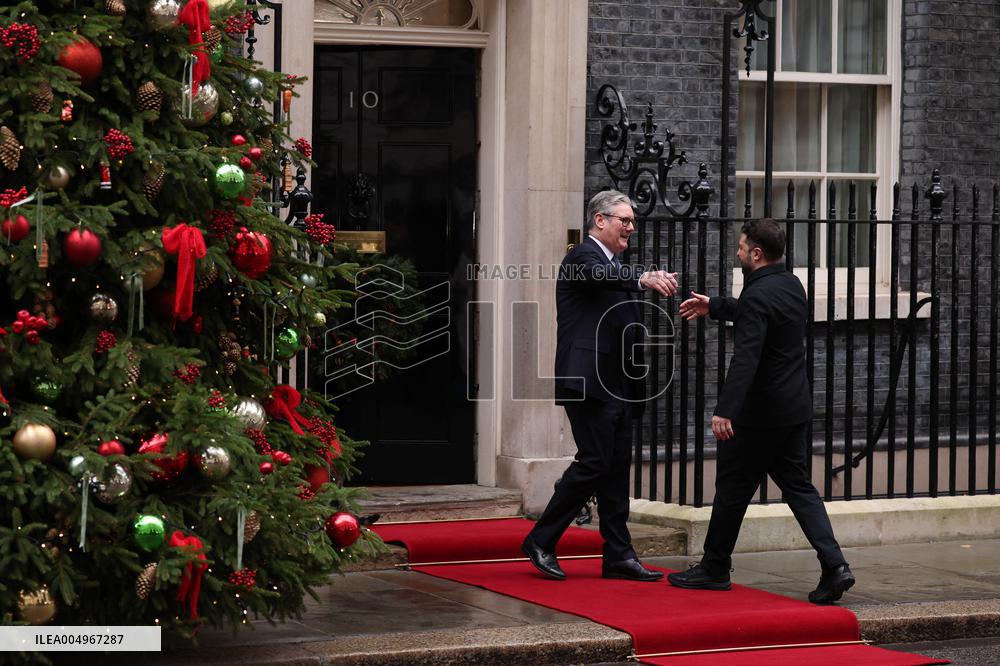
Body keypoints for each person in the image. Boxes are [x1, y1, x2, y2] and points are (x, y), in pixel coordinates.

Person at [666, 219, 854, 604]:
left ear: (756, 254)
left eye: (740, 248)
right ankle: (835, 565)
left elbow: (746, 357)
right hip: (793, 409)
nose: (736, 253)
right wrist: (715, 305)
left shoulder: (758, 294)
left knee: (732, 488)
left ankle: (715, 568)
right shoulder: (790, 285)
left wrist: (725, 410)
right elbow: (759, 312)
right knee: (800, 488)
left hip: (757, 416)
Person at [522, 190, 678, 581]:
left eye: (632, 221)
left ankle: (619, 555)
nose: (631, 227)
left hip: (620, 384)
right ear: (599, 220)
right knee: (594, 461)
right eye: (623, 219)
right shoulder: (582, 258)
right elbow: (600, 276)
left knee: (615, 469)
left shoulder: (617, 265)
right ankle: (541, 540)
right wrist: (642, 278)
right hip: (588, 381)